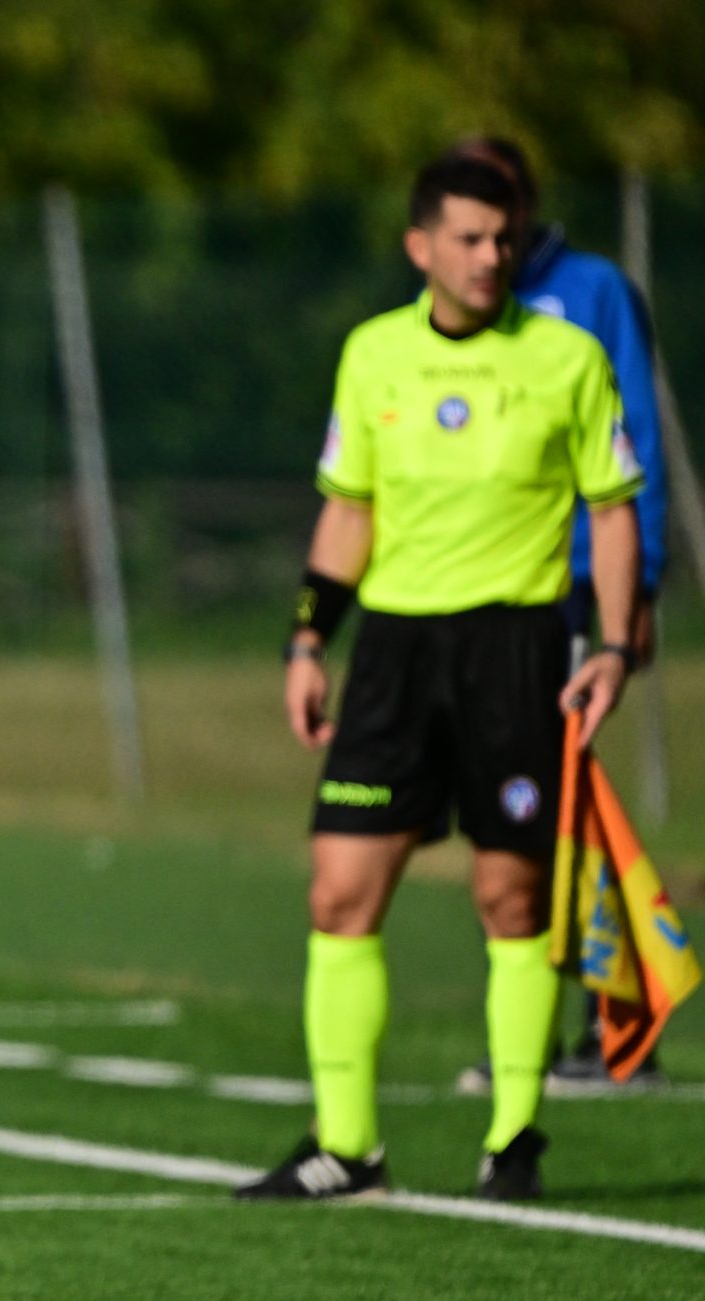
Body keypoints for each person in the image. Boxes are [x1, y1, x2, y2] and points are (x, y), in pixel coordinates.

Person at [237, 154, 644, 1206]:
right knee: (338, 889)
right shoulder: (371, 355)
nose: (488, 256)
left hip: (515, 654)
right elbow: (347, 509)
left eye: (503, 237)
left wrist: (608, 645)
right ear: (420, 245)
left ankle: (513, 1139)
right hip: (393, 658)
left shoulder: (566, 358)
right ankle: (346, 1146)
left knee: (510, 897)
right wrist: (304, 641)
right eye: (466, 237)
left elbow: (609, 508)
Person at [450, 136, 670, 1089]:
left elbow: (637, 444)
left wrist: (639, 586)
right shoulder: (456, 308)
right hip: (478, 588)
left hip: (574, 578)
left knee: (557, 792)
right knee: (517, 795)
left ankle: (613, 1016)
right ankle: (546, 1021)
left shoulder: (590, 292)